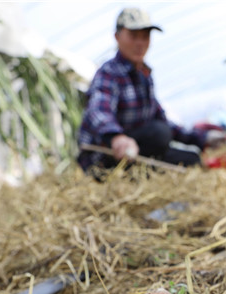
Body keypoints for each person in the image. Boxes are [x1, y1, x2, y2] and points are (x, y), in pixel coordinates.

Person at [77, 7, 210, 175]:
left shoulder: (144, 76)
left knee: (192, 160)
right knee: (159, 134)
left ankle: (141, 173)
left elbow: (162, 119)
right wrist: (116, 138)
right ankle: (124, 174)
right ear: (117, 37)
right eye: (133, 36)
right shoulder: (109, 72)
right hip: (105, 157)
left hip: (137, 152)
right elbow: (98, 111)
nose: (140, 43)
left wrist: (201, 139)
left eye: (145, 36)